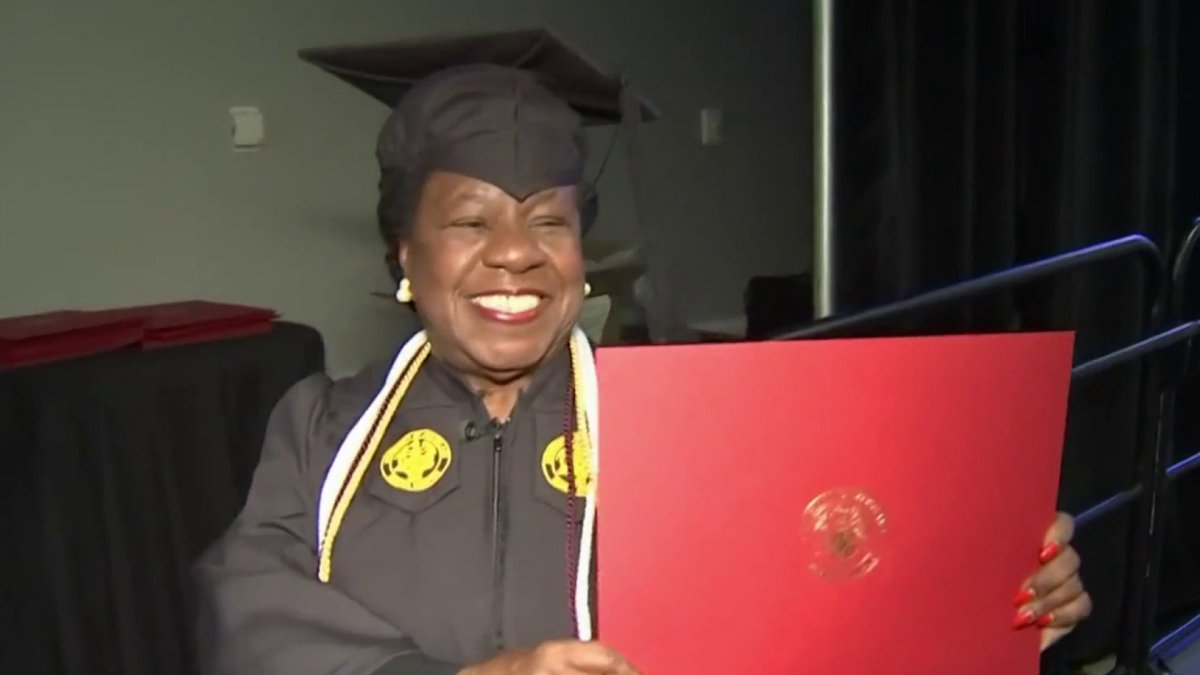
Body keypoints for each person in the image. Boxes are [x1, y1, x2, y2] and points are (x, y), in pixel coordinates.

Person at [193, 29, 1092, 675]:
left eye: (549, 220)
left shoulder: (689, 418)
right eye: (469, 221)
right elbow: (245, 614)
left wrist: (984, 590)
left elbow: (825, 581)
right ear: (403, 254)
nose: (516, 252)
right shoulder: (321, 426)